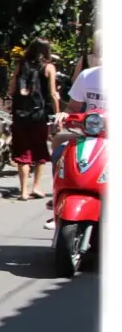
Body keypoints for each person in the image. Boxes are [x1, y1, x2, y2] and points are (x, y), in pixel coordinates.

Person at [47, 29, 103, 229]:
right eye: (100, 49)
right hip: (89, 136)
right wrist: (64, 114)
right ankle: (59, 198)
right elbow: (73, 107)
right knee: (59, 148)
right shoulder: (87, 76)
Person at [6, 38, 61, 201]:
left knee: (23, 152)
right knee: (40, 150)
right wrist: (58, 113)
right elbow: (52, 93)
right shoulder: (49, 68)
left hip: (20, 115)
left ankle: (23, 191)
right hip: (39, 116)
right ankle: (36, 187)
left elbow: (11, 89)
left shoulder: (21, 65)